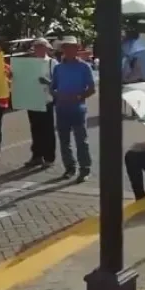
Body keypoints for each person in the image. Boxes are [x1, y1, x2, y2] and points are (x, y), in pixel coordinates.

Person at [51, 36, 96, 182]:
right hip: (61, 109)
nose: (68, 50)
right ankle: (70, 168)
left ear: (77, 49)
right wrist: (57, 95)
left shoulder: (84, 67)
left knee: (81, 141)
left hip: (78, 109)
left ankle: (85, 169)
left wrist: (78, 97)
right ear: (62, 49)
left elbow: (92, 89)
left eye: (72, 47)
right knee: (64, 141)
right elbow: (53, 88)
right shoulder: (58, 68)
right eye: (65, 47)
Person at [24, 38, 58, 169]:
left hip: (46, 100)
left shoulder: (52, 63)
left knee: (48, 130)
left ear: (46, 48)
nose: (38, 49)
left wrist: (48, 82)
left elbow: (57, 82)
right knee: (35, 129)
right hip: (32, 99)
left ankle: (49, 157)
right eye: (36, 46)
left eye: (40, 46)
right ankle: (37, 156)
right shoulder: (29, 63)